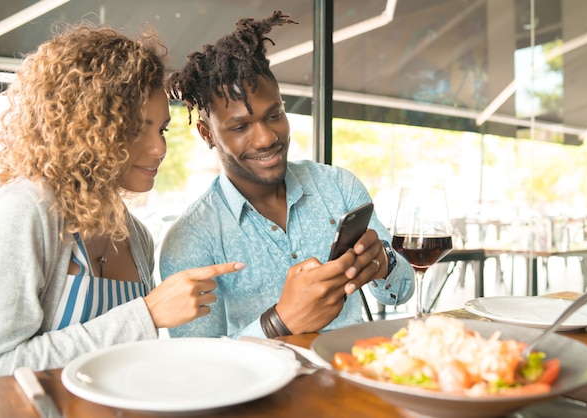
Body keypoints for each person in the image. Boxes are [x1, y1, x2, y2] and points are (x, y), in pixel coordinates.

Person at [0, 24, 244, 376]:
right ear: (84, 125)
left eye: (161, 130)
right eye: (133, 129)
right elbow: (3, 365)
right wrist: (148, 313)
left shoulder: (136, 236)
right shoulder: (27, 210)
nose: (159, 149)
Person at [160, 10, 414, 339]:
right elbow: (199, 370)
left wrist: (383, 263)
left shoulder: (338, 187)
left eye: (274, 114)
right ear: (207, 134)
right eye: (240, 127)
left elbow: (402, 290)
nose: (267, 138)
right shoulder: (190, 241)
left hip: (352, 377)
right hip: (262, 391)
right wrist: (279, 322)